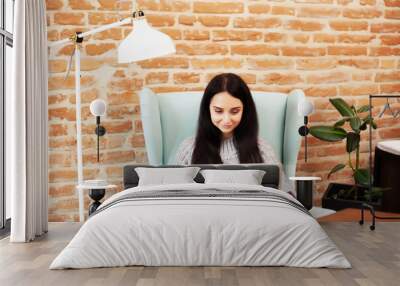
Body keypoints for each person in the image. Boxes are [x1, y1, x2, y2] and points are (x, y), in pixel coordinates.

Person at [175, 73, 293, 194]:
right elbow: (174, 193)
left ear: (245, 110)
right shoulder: (188, 149)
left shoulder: (262, 149)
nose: (226, 120)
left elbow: (285, 192)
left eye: (235, 111)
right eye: (218, 111)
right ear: (207, 109)